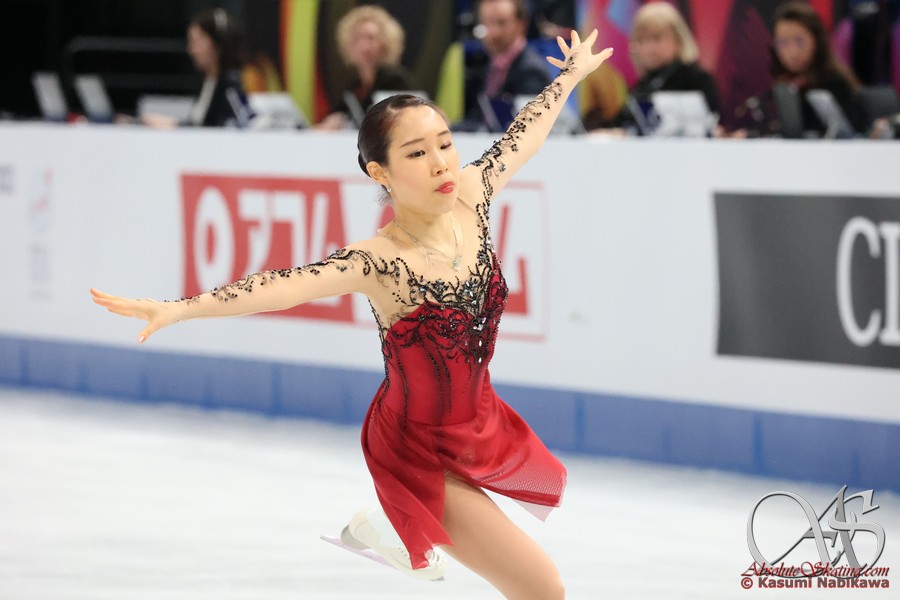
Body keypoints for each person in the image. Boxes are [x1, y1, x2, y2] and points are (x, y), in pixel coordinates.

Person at [92, 30, 613, 600]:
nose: (440, 162)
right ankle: (400, 516)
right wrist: (179, 309)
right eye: (416, 153)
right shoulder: (379, 261)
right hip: (416, 445)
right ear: (380, 173)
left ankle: (389, 528)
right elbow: (280, 288)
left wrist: (569, 76)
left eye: (444, 143)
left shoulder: (472, 194)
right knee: (543, 589)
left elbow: (524, 136)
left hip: (479, 424)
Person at [601, 1, 721, 132]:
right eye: (641, 40)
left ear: (678, 40)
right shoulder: (641, 88)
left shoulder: (699, 81)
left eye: (656, 38)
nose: (649, 48)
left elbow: (715, 125)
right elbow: (621, 124)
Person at [768, 1, 864, 136]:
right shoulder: (783, 87)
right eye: (782, 43)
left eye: (799, 41)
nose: (791, 52)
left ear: (817, 40)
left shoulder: (835, 83)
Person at [142, 8, 250, 129]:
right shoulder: (208, 82)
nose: (191, 50)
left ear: (216, 44)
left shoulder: (230, 88)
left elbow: (227, 129)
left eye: (196, 41)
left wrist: (175, 126)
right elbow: (200, 123)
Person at [461, 0, 553, 130]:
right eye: (486, 23)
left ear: (521, 25)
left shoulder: (531, 72)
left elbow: (524, 129)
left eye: (501, 23)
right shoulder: (485, 64)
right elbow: (479, 118)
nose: (493, 32)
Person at [318, 5, 412, 130]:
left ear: (385, 44)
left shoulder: (395, 81)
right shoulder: (355, 88)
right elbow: (336, 116)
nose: (364, 47)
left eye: (371, 38)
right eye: (358, 38)